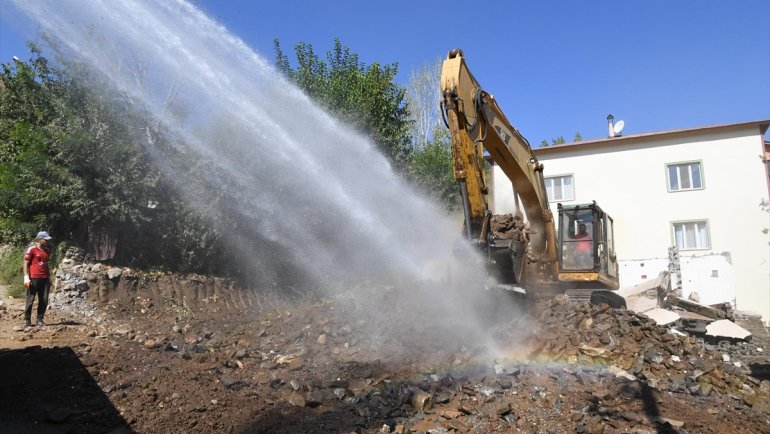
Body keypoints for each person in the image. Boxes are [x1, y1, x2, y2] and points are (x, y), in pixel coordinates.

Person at [23, 231, 53, 327]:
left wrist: (49, 277)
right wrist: (26, 277)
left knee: (44, 300)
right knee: (30, 299)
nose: (47, 241)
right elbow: (25, 263)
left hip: (44, 279)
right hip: (33, 278)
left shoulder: (47, 251)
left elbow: (46, 265)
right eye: (45, 240)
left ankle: (40, 319)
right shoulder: (32, 249)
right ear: (40, 239)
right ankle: (27, 321)